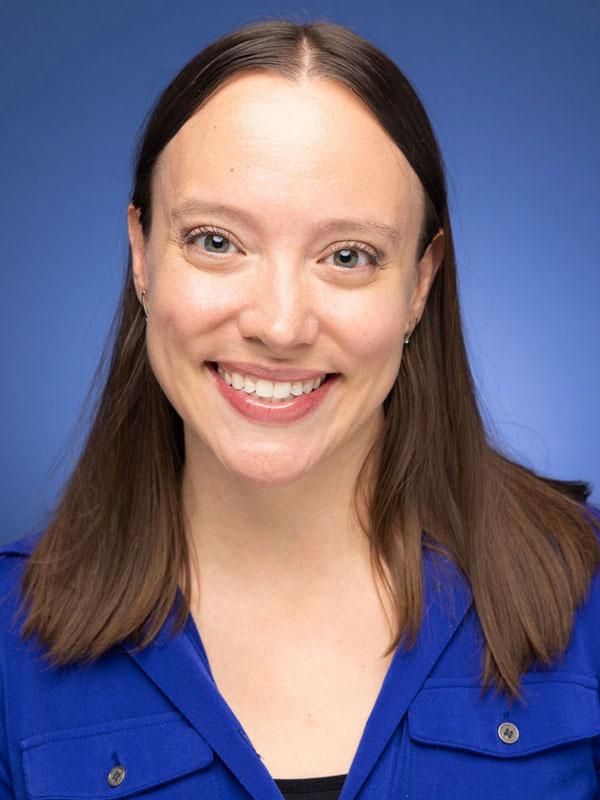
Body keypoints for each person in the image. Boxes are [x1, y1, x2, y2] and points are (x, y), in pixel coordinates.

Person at [1, 18, 599, 800]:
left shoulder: (586, 597)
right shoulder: (12, 647)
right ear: (142, 255)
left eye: (348, 256)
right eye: (216, 241)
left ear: (421, 282)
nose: (279, 325)